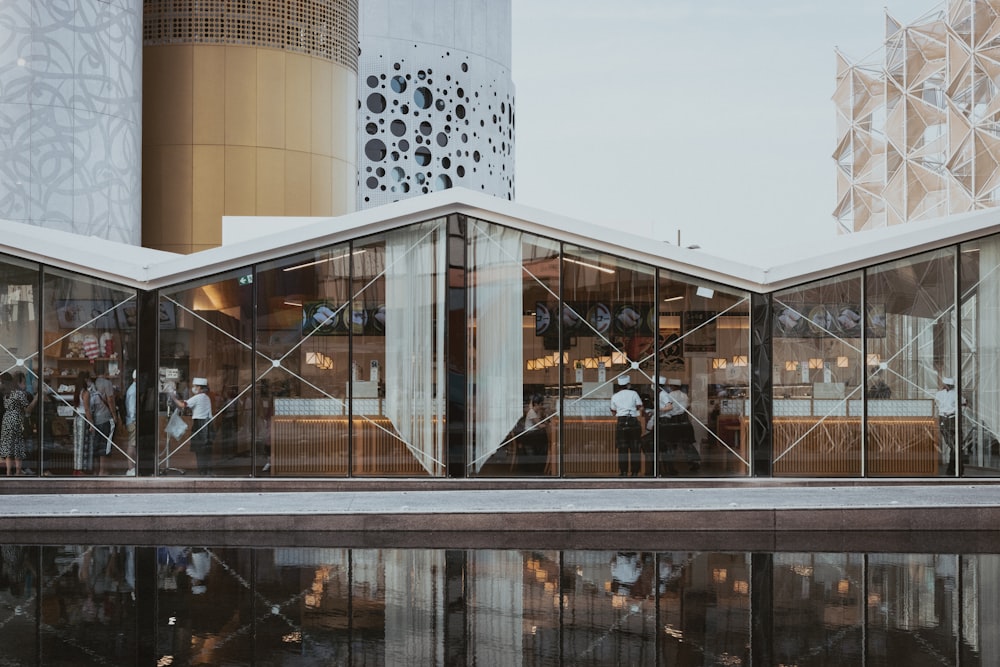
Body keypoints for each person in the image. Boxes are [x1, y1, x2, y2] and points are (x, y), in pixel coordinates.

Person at [170, 377, 214, 476]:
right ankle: (207, 470)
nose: (193, 388)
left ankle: (202, 471)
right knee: (206, 450)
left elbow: (183, 405)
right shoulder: (206, 397)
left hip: (200, 424)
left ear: (200, 387)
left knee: (200, 449)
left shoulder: (198, 397)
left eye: (195, 386)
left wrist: (173, 397)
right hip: (207, 423)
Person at [1, 371, 37, 476]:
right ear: (19, 382)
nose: (25, 385)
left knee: (8, 448)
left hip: (7, 420)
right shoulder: (19, 394)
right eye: (24, 382)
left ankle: (8, 472)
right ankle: (18, 471)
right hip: (16, 419)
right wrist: (36, 399)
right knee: (17, 448)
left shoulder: (7, 393)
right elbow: (27, 409)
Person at [663, 378, 700, 473]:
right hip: (684, 420)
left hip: (673, 420)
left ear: (671, 386)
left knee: (671, 444)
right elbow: (687, 406)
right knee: (687, 444)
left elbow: (667, 408)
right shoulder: (684, 395)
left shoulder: (669, 395)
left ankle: (670, 466)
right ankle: (694, 462)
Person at [610, 375, 645, 477]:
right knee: (635, 448)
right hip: (633, 421)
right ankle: (635, 472)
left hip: (621, 422)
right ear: (628, 385)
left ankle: (623, 472)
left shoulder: (615, 396)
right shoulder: (634, 393)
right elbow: (640, 407)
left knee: (622, 449)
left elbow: (613, 411)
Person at [90, 371, 118, 476]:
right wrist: (114, 415)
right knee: (105, 445)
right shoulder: (107, 383)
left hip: (95, 418)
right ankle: (103, 471)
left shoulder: (93, 384)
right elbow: (110, 399)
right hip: (105, 417)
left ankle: (96, 471)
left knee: (96, 445)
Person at [935, 375, 961, 475]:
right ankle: (955, 468)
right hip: (946, 419)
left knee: (954, 445)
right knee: (954, 445)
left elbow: (963, 403)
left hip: (951, 419)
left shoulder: (954, 394)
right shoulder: (940, 394)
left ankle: (953, 468)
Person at [519, 394, 549, 475]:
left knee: (544, 438)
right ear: (536, 404)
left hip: (532, 434)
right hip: (529, 435)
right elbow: (539, 425)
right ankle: (543, 462)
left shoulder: (535, 412)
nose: (542, 406)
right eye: (541, 404)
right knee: (545, 439)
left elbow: (540, 422)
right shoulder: (532, 412)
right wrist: (548, 425)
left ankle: (543, 462)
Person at [73, 372, 94, 475]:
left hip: (77, 418)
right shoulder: (86, 393)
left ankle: (77, 468)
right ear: (85, 380)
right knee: (84, 445)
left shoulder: (77, 391)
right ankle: (82, 469)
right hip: (84, 419)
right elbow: (87, 409)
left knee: (78, 444)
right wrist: (91, 424)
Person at [124, 370, 137, 476]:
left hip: (132, 420)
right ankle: (130, 467)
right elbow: (132, 408)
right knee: (132, 444)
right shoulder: (133, 391)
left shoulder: (133, 389)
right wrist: (134, 420)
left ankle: (133, 466)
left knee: (134, 444)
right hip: (133, 421)